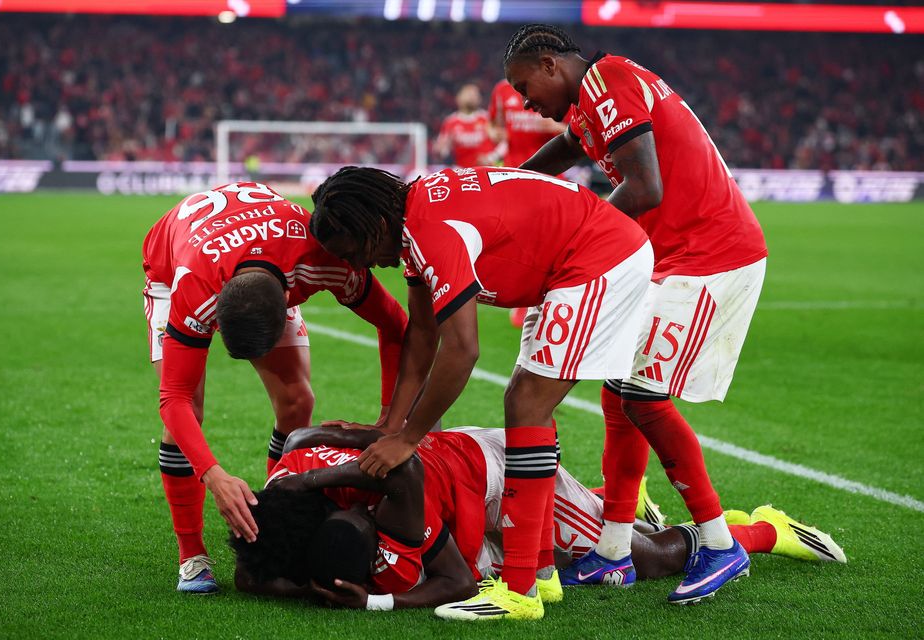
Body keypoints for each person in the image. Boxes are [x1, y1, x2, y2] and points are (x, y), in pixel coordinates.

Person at [309, 164, 654, 620]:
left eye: (354, 251)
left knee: (526, 403)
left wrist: (409, 439)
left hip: (598, 257)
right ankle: (540, 575)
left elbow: (462, 349)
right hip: (568, 264)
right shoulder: (412, 217)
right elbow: (422, 332)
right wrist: (390, 426)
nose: (358, 266)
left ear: (374, 225)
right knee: (525, 402)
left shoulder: (430, 232)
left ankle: (520, 592)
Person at [502, 24, 769, 604]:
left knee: (643, 396)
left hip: (713, 255)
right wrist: (513, 188)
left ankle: (721, 542)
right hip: (674, 259)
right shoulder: (597, 95)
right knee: (618, 392)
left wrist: (574, 242)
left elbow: (644, 187)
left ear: (551, 64)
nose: (527, 103)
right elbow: (569, 148)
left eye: (526, 87)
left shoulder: (608, 79)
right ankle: (613, 552)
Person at [230, 426, 846, 613]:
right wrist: (276, 581)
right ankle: (612, 506)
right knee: (594, 538)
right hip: (454, 512)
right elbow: (313, 436)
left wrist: (372, 605)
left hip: (497, 472)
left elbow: (456, 583)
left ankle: (761, 530)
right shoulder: (286, 490)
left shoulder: (382, 506)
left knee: (636, 560)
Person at [142, 181, 407, 593]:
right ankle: (191, 555)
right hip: (172, 263)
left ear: (289, 301)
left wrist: (390, 417)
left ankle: (272, 518)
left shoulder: (326, 260)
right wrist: (214, 476)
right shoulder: (193, 288)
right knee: (186, 412)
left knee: (297, 400)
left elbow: (395, 324)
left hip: (265, 254)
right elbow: (172, 399)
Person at [487, 78, 568, 328]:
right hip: (515, 174)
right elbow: (492, 126)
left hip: (551, 175)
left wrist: (552, 127)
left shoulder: (556, 88)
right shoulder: (500, 90)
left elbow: (575, 130)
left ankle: (553, 300)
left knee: (550, 243)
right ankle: (524, 301)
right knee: (520, 241)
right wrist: (499, 136)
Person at [434, 84, 496, 169]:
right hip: (462, 171)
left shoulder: (487, 118)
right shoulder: (451, 122)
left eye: (475, 94)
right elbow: (443, 149)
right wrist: (441, 150)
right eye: (468, 93)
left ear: (479, 99)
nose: (472, 96)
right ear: (458, 98)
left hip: (486, 169)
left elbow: (503, 143)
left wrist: (491, 157)